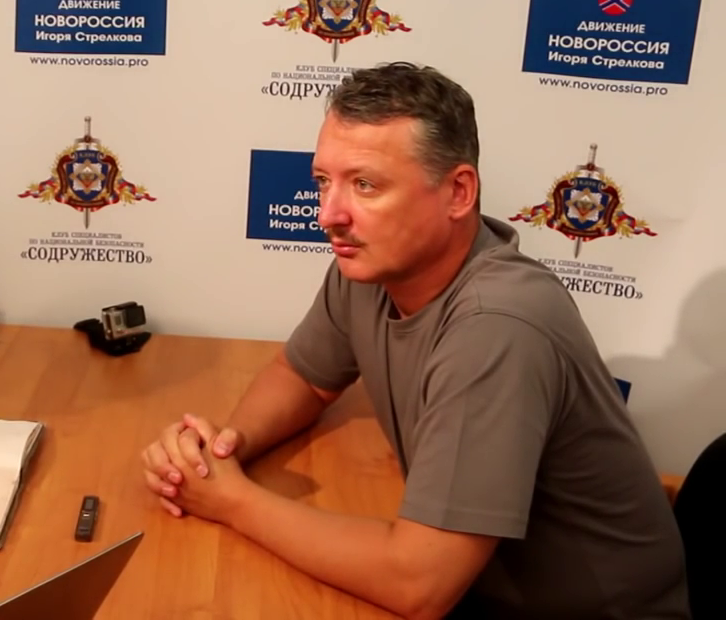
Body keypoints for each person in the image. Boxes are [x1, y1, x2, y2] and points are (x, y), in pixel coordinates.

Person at [140, 62, 690, 619]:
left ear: (458, 192)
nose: (328, 215)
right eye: (323, 182)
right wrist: (222, 452)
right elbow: (303, 375)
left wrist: (231, 500)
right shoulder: (371, 266)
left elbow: (420, 584)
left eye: (365, 185)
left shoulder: (497, 327)